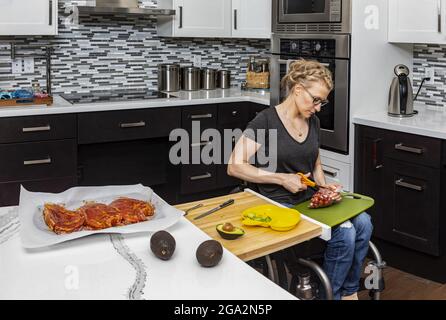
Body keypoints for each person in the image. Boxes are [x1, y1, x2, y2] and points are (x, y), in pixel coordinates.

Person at [227, 59, 373, 300]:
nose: (318, 108)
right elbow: (234, 165)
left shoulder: (312, 121)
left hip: (308, 199)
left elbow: (314, 162)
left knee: (364, 221)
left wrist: (323, 184)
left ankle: (348, 292)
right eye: (315, 100)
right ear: (297, 90)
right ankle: (330, 296)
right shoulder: (265, 121)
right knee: (345, 232)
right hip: (278, 203)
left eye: (322, 102)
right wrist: (281, 178)